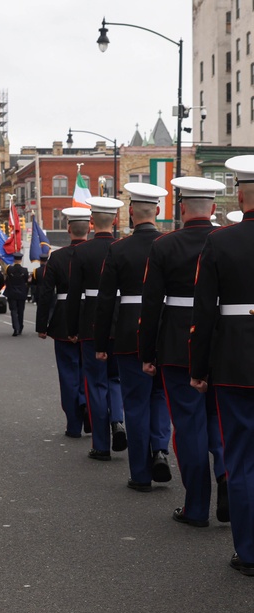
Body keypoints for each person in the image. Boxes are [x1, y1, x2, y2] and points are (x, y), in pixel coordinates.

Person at [141, 176, 229, 527]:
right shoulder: (226, 241)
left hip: (179, 347)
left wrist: (147, 352)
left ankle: (196, 507)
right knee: (221, 421)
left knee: (189, 427)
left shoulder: (164, 246)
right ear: (213, 208)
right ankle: (225, 477)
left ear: (181, 208)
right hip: (224, 344)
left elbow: (150, 307)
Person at [190, 155, 254, 572]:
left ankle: (248, 553)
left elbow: (204, 313)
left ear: (239, 193)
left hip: (235, 360)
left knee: (243, 458)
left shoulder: (221, 241)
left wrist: (198, 369)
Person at [93, 183, 171, 493]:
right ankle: (161, 449)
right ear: (159, 212)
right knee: (161, 397)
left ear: (129, 212)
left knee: (135, 403)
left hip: (128, 334)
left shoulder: (118, 248)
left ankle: (140, 474)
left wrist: (101, 344)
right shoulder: (170, 244)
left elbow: (106, 300)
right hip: (166, 331)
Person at [67, 196, 127, 461]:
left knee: (95, 384)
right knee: (115, 379)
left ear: (92, 222)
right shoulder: (123, 248)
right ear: (115, 220)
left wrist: (72, 327)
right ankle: (118, 419)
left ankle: (101, 445)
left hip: (91, 322)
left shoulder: (81, 252)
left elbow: (74, 295)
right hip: (120, 322)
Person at [37, 207, 90, 438]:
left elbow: (45, 293)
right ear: (89, 228)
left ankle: (73, 424)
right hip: (92, 317)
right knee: (90, 371)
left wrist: (42, 326)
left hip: (63, 319)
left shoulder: (57, 257)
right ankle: (89, 405)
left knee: (68, 373)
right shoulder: (99, 252)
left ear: (68, 229)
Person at [4, 256, 29, 335]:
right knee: (21, 311)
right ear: (21, 260)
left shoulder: (9, 269)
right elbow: (26, 280)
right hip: (21, 293)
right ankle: (20, 326)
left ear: (14, 260)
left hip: (12, 293)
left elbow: (7, 278)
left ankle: (16, 328)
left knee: (13, 311)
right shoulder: (24, 270)